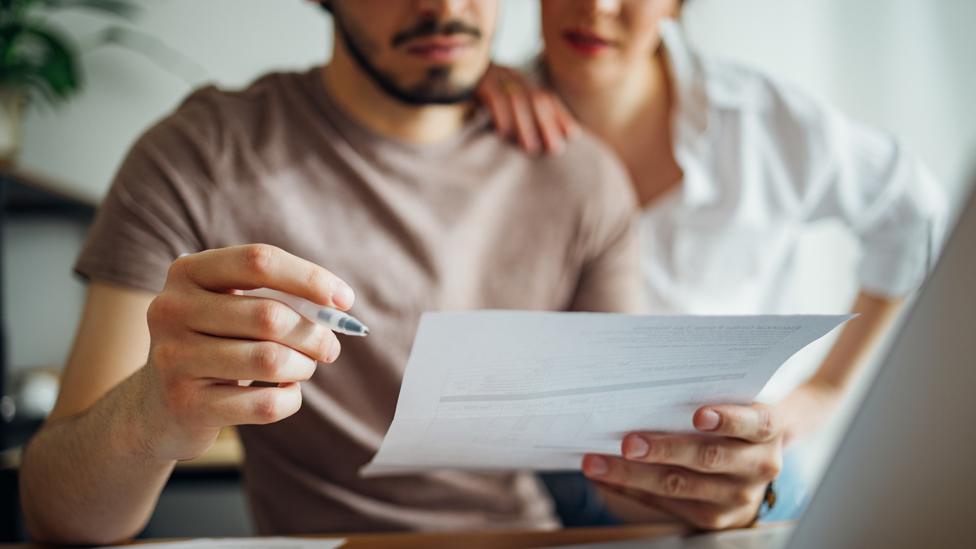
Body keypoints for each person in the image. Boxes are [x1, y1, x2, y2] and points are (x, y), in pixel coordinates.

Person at [19, 0, 647, 543]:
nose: (443, 6)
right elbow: (57, 518)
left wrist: (712, 489)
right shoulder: (199, 157)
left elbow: (628, 471)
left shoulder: (578, 175)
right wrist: (152, 414)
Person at [477, 0, 948, 529]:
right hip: (550, 481)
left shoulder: (762, 124)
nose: (596, 7)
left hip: (737, 469)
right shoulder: (474, 115)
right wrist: (460, 83)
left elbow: (914, 212)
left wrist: (826, 391)